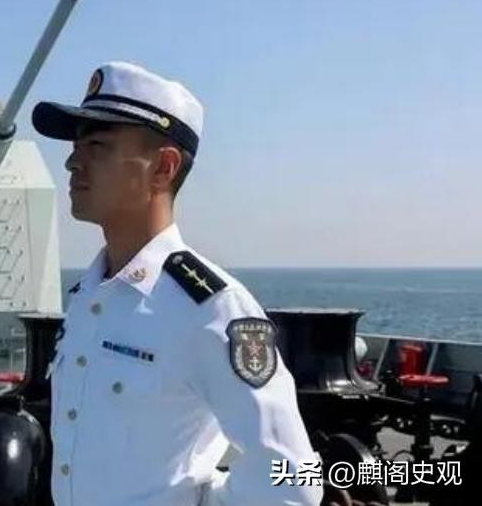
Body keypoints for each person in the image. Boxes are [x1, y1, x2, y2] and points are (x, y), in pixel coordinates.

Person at [31, 61, 323, 506]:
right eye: (76, 147)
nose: (73, 161)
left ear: (163, 168)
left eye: (97, 146)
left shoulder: (211, 307)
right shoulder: (89, 295)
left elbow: (292, 480)